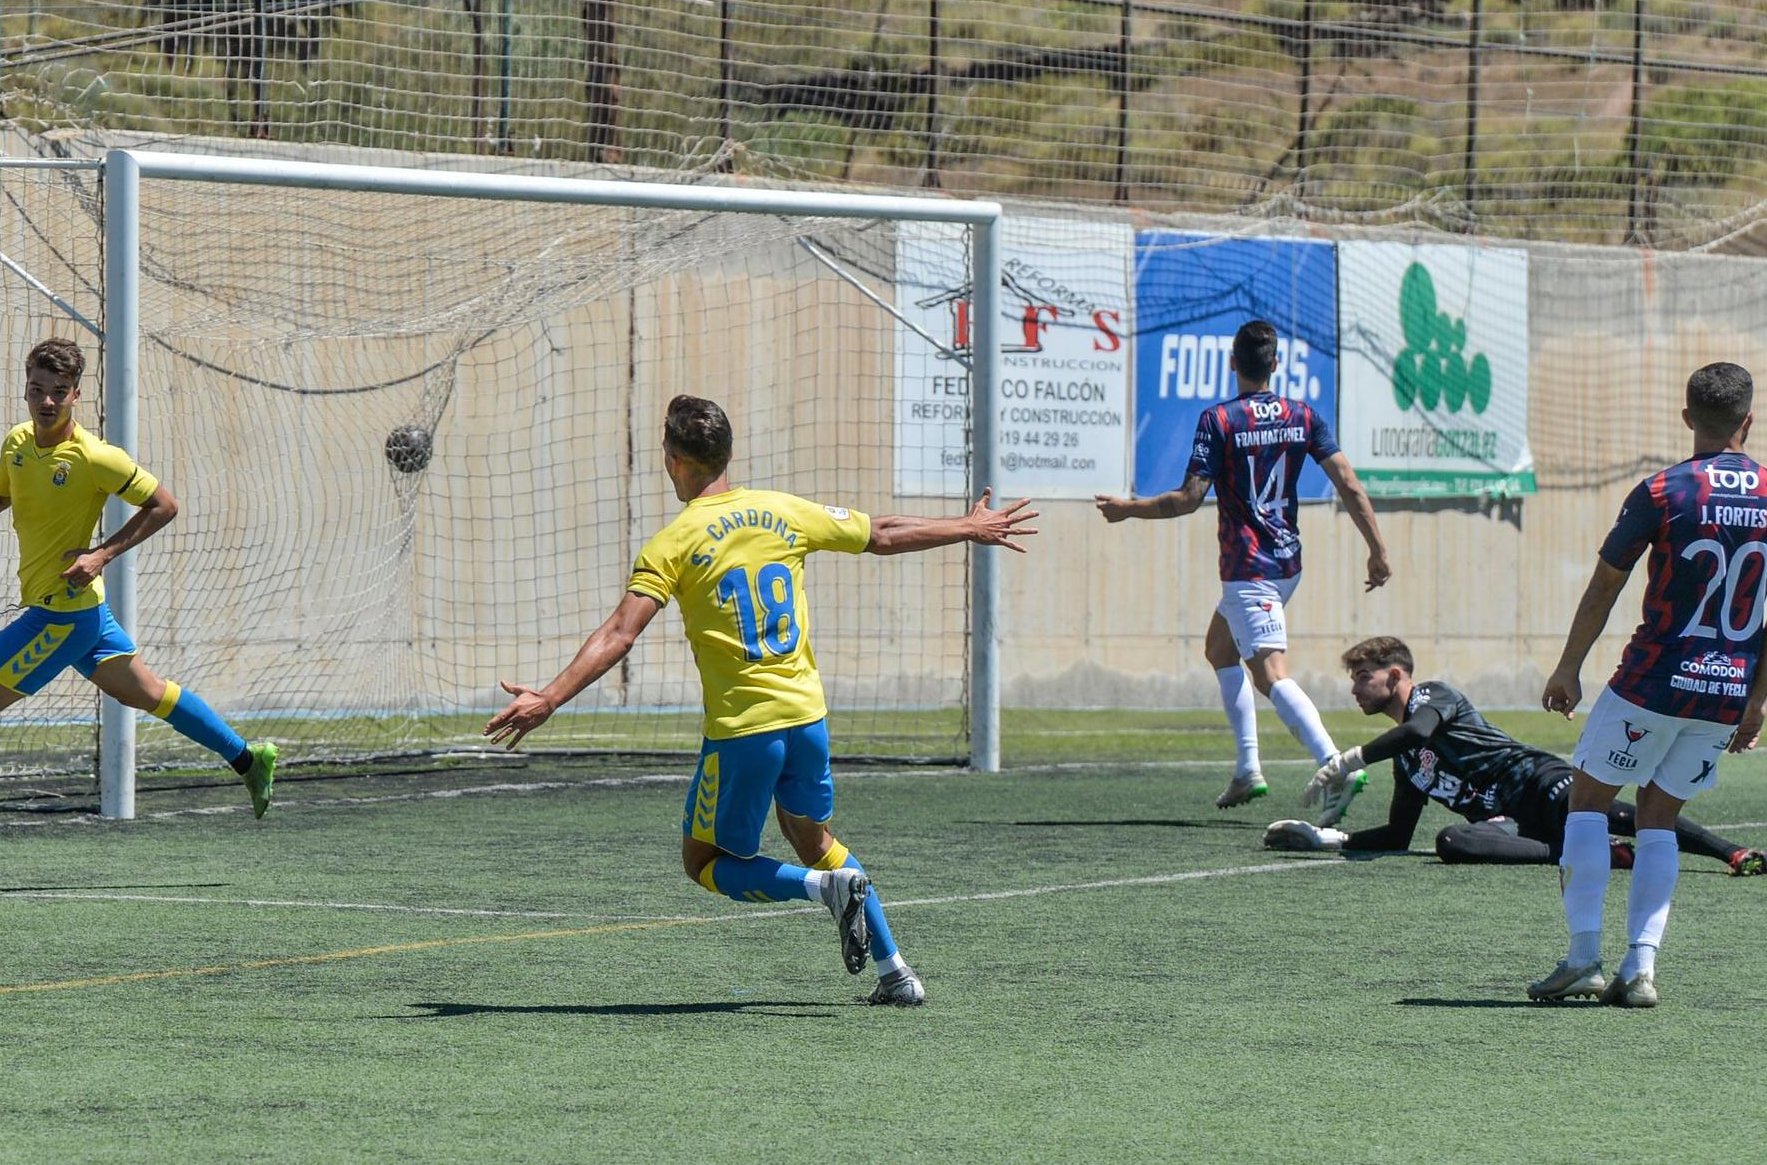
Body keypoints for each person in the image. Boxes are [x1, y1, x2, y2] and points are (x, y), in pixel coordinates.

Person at [486, 394, 1037, 1006]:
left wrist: (549, 700)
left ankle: (821, 893)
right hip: (808, 719)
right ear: (727, 455)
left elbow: (620, 633)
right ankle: (896, 974)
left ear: (672, 461)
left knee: (704, 861)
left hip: (744, 731)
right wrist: (969, 526)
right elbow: (881, 533)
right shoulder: (782, 511)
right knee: (816, 838)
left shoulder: (674, 543)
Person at [0, 338, 277, 879]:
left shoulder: (96, 456)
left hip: (61, 615)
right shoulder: (18, 443)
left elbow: (164, 505)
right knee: (148, 692)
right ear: (26, 389)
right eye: (36, 391)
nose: (46, 402)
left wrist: (103, 553)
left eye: (57, 393)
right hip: (84, 613)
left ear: (76, 395)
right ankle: (247, 758)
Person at [1529, 362, 1767, 1008]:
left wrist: (1568, 665)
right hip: (1724, 691)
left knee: (1587, 801)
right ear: (1749, 419)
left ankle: (1583, 957)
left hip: (1654, 680)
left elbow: (1608, 580)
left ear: (1687, 417)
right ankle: (1641, 969)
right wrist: (1757, 698)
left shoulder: (1664, 491)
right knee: (1660, 815)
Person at [1096, 319, 1389, 818]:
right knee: (1218, 648)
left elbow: (1189, 500)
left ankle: (1337, 765)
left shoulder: (1220, 420)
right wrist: (1377, 549)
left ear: (1232, 363)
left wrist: (1130, 509)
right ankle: (1248, 770)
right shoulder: (1303, 415)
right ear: (1275, 364)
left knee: (1271, 675)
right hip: (1286, 562)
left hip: (1248, 567)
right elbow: (1350, 486)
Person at [1262, 636, 1762, 875]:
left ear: (1396, 675)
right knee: (1454, 840)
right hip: (1508, 819)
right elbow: (1396, 836)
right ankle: (1585, 853)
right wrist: (1328, 838)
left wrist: (1348, 760)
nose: (1354, 689)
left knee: (1621, 813)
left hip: (1535, 781)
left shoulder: (1432, 696)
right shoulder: (1408, 762)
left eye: (1362, 677)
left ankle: (1733, 852)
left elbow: (1417, 731)